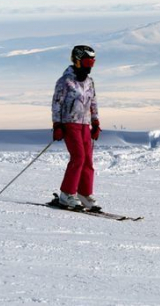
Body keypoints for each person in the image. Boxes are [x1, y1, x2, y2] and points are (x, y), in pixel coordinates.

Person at [52, 45, 101, 209]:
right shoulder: (65, 81)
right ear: (78, 61)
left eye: (92, 62)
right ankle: (67, 194)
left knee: (87, 160)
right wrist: (57, 125)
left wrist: (95, 122)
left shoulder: (89, 82)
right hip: (69, 124)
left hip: (85, 124)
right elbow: (56, 104)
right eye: (87, 61)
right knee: (78, 157)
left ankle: (84, 193)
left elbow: (93, 102)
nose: (89, 66)